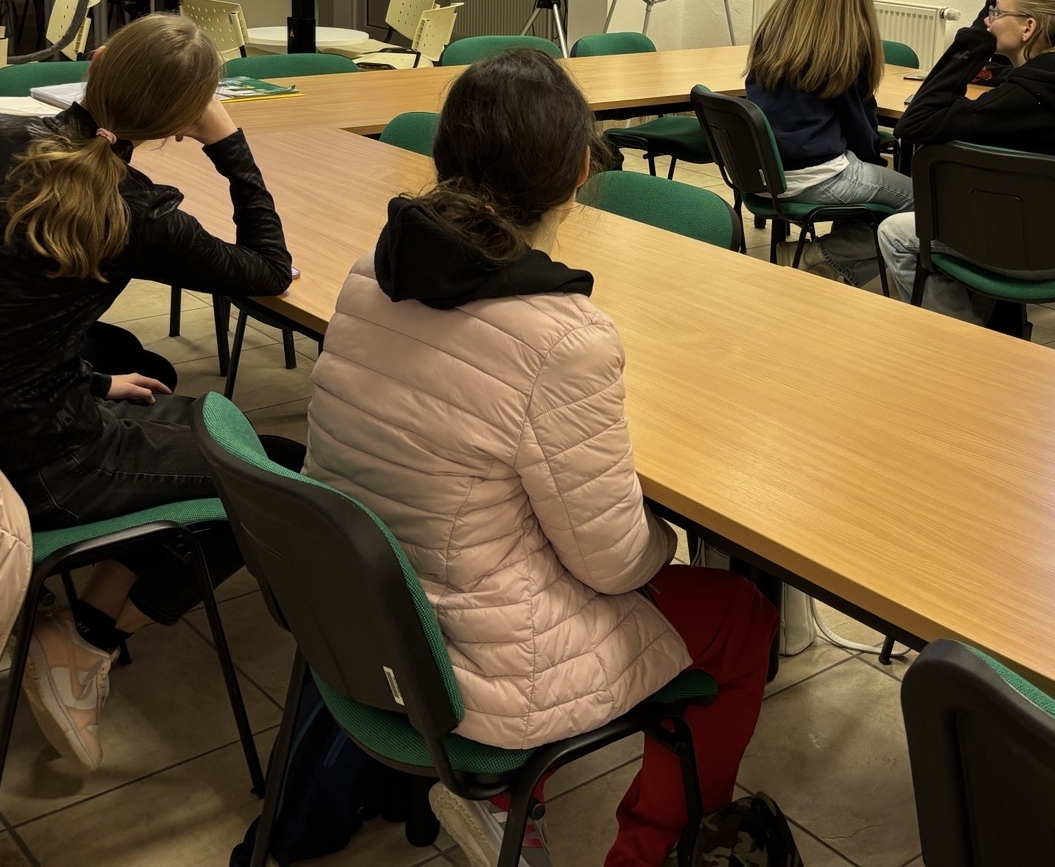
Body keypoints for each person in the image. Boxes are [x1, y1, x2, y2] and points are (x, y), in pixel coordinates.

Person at [306, 49, 777, 867]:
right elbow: (615, 565)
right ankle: (642, 854)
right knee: (742, 616)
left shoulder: (368, 274)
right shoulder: (562, 339)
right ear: (579, 174)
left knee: (508, 522)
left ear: (444, 155)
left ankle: (506, 810)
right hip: (485, 667)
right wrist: (666, 535)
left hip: (368, 618)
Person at [0, 13, 295, 773]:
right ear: (180, 121)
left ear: (100, 64)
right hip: (43, 458)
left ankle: (80, 622)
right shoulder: (134, 211)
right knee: (273, 472)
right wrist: (226, 140)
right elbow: (270, 268)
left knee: (192, 416)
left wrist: (89, 378)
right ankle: (88, 639)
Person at [881, 0, 1055, 321]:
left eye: (997, 12)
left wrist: (971, 43)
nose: (988, 20)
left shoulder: (1025, 96)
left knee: (895, 233)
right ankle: (989, 330)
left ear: (1028, 27)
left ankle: (959, 340)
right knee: (965, 219)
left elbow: (915, 124)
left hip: (1048, 253)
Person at [743, 0, 912, 286]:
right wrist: (875, 158)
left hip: (763, 171)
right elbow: (858, 123)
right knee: (925, 207)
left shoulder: (774, 24)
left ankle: (832, 272)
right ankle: (820, 255)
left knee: (874, 184)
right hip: (814, 174)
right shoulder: (848, 38)